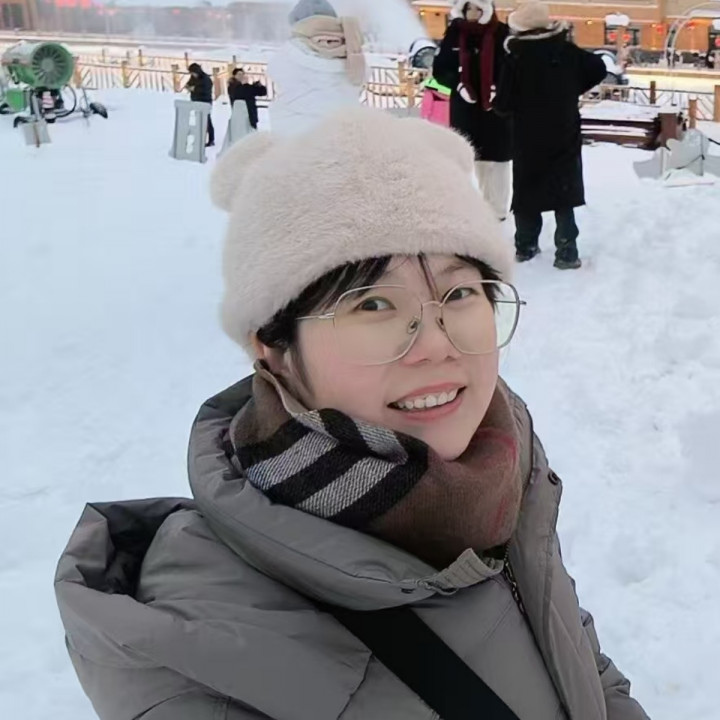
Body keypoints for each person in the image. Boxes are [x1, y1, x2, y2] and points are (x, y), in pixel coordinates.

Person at [54, 106, 650, 720]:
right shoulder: (202, 653)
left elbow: (578, 667)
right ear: (272, 348)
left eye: (459, 292)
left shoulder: (502, 478)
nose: (437, 344)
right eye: (372, 304)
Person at [495, 2, 606, 269]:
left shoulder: (516, 56)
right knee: (563, 191)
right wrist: (571, 89)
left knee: (527, 191)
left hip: (527, 135)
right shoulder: (565, 50)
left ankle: (525, 246)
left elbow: (503, 103)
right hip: (563, 130)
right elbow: (598, 68)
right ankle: (567, 251)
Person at [433, 0, 513, 220]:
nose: (474, 13)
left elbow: (513, 68)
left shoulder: (502, 34)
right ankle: (470, 210)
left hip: (496, 110)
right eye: (469, 8)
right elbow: (440, 69)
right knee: (468, 157)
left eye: (479, 9)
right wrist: (458, 85)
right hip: (464, 109)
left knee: (497, 161)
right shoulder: (454, 34)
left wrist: (500, 89)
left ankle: (497, 211)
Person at [268, 0, 366, 137]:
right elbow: (361, 79)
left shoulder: (293, 49)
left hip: (297, 134)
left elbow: (275, 70)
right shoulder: (350, 47)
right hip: (344, 132)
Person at [186, 62, 215, 147]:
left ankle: (211, 139)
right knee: (199, 121)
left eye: (193, 73)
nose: (192, 75)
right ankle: (200, 138)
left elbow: (206, 90)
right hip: (196, 101)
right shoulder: (193, 78)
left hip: (205, 101)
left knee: (207, 121)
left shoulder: (206, 79)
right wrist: (188, 87)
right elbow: (189, 84)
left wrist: (194, 89)